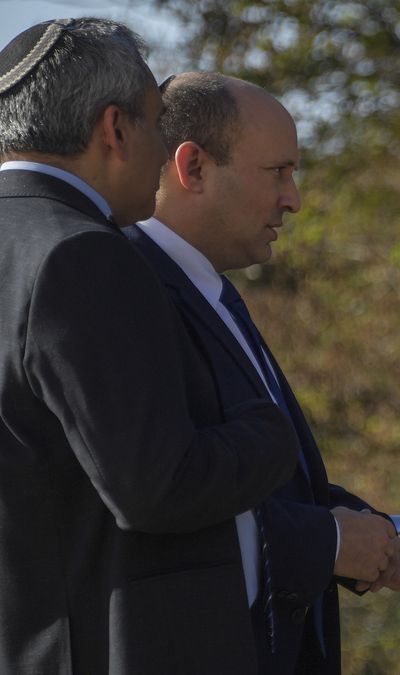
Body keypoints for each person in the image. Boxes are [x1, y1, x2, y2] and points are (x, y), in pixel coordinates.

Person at [0, 19, 301, 674]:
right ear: (116, 130)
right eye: (158, 125)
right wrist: (268, 430)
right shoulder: (83, 254)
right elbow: (156, 486)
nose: (168, 153)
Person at [126, 72, 400, 675]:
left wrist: (354, 527)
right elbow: (148, 509)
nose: (294, 199)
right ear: (193, 167)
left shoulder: (209, 292)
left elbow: (241, 480)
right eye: (277, 173)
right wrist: (328, 543)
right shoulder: (127, 294)